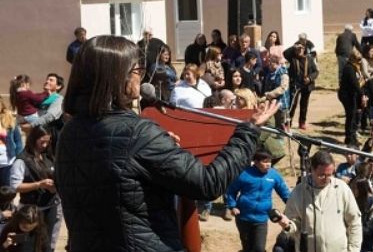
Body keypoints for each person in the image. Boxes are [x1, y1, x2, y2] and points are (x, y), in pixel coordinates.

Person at [55, 35, 280, 251]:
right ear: (117, 78)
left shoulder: (69, 133)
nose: (141, 78)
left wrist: (160, 151)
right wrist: (248, 131)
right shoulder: (138, 134)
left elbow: (115, 187)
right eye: (136, 71)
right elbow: (208, 183)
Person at [278, 150, 362, 252]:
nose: (326, 179)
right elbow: (294, 224)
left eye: (330, 174)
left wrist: (353, 249)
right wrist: (287, 225)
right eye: (321, 175)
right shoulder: (299, 192)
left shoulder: (342, 189)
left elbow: (354, 221)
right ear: (311, 170)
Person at [225, 149, 291, 252]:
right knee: (247, 247)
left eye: (269, 161)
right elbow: (231, 191)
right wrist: (232, 206)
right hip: (243, 218)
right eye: (264, 162)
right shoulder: (244, 174)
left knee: (259, 248)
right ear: (255, 162)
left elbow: (284, 192)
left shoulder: (274, 175)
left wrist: (293, 205)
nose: (268, 164)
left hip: (261, 219)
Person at [9, 126, 60, 252]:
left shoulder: (48, 156)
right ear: (33, 139)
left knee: (47, 243)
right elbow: (15, 186)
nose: (44, 144)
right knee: (29, 244)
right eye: (41, 141)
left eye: (47, 141)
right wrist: (39, 184)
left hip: (51, 205)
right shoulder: (22, 160)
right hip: (31, 211)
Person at [283, 41, 318, 130]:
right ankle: (288, 123)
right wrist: (294, 46)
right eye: (297, 49)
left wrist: (310, 78)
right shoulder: (292, 58)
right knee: (292, 104)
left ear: (304, 49)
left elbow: (316, 72)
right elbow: (285, 53)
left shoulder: (309, 58)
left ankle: (302, 122)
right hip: (295, 84)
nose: (299, 50)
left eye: (301, 48)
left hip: (307, 85)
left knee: (304, 104)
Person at [339, 49, 367, 145]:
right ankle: (350, 138)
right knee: (351, 116)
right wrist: (362, 95)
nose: (359, 60)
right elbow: (355, 84)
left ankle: (352, 137)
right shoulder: (349, 68)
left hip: (354, 94)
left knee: (355, 115)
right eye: (358, 58)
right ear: (352, 58)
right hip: (347, 95)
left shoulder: (356, 67)